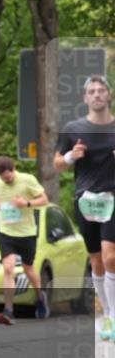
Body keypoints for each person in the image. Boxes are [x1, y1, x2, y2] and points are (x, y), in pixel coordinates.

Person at [54, 75, 115, 341]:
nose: (97, 94)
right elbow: (57, 163)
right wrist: (71, 156)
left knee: (110, 256)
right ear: (85, 98)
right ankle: (108, 314)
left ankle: (112, 317)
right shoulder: (73, 128)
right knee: (97, 261)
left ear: (109, 96)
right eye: (92, 91)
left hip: (113, 197)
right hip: (86, 200)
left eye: (102, 90)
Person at [0, 156, 50, 325]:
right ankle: (8, 310)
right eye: (3, 178)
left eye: (8, 178)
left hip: (27, 233)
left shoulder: (27, 180)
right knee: (8, 267)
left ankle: (40, 296)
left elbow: (44, 200)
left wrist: (26, 204)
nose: (6, 180)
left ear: (13, 170)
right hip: (6, 231)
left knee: (29, 269)